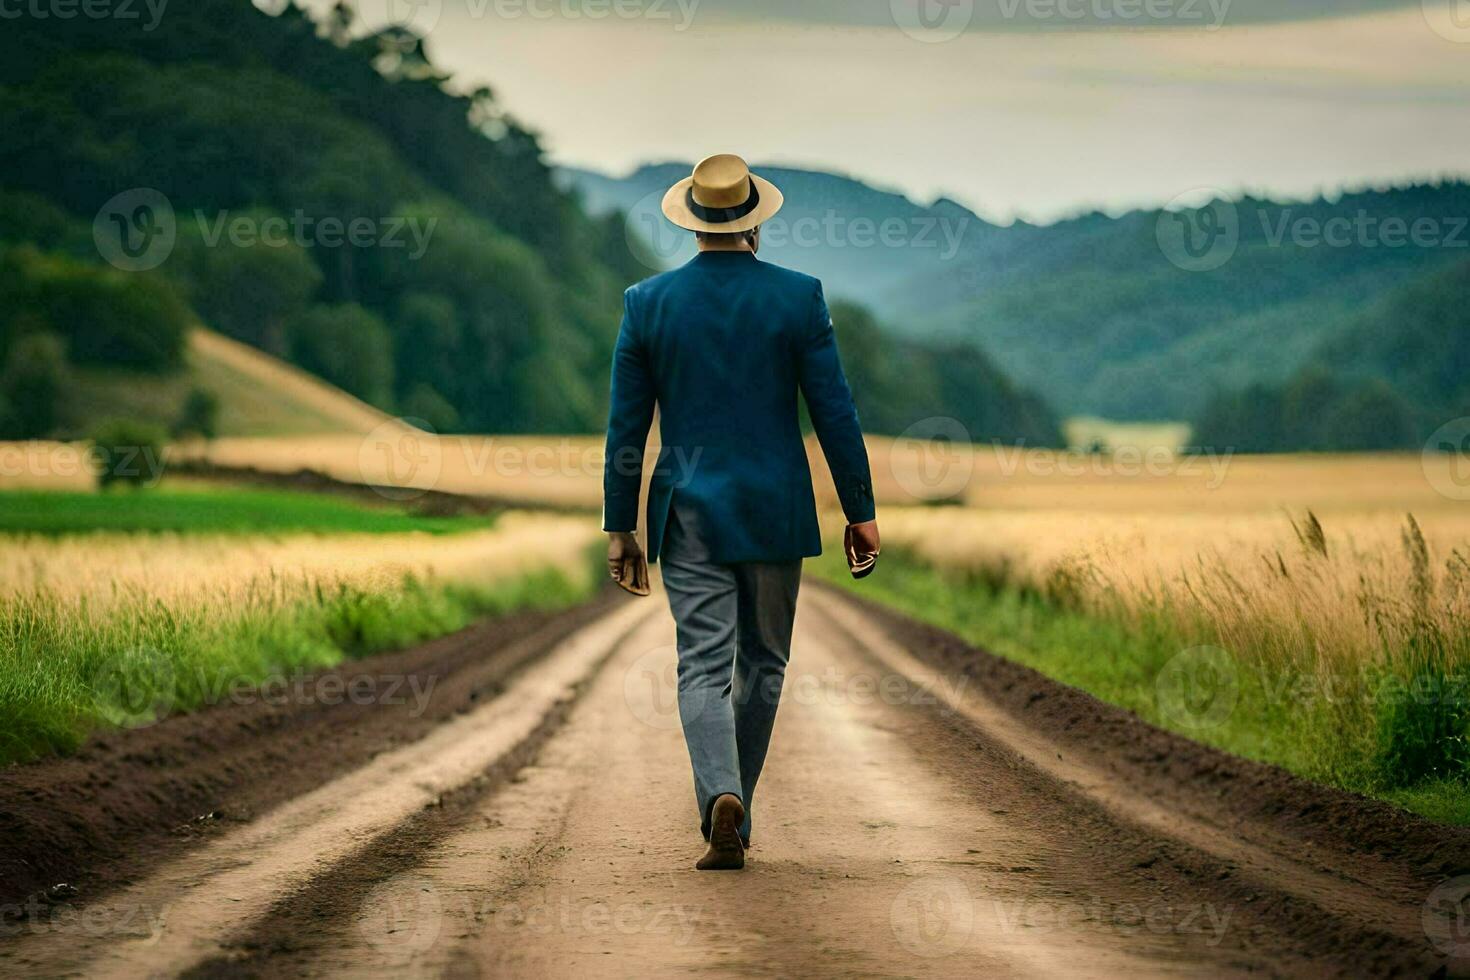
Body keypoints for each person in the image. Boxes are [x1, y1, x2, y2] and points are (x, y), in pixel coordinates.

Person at [602, 154, 880, 871]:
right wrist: (860, 510)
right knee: (764, 662)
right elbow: (835, 412)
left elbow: (626, 431)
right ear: (754, 219)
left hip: (687, 508)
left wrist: (619, 526)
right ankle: (737, 807)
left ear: (691, 220)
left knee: (700, 665)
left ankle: (720, 795)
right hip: (775, 508)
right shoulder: (798, 298)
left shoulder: (646, 303)